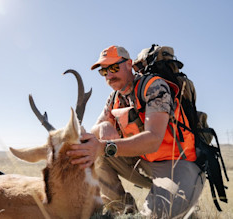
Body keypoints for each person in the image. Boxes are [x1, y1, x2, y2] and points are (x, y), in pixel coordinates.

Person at [66, 45, 205, 218]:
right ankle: (123, 210)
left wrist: (105, 146)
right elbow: (94, 132)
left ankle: (177, 201)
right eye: (104, 71)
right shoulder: (114, 98)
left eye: (114, 67)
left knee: (156, 216)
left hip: (177, 164)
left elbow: (153, 139)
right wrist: (103, 126)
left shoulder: (154, 87)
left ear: (129, 64)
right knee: (93, 151)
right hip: (145, 163)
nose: (109, 75)